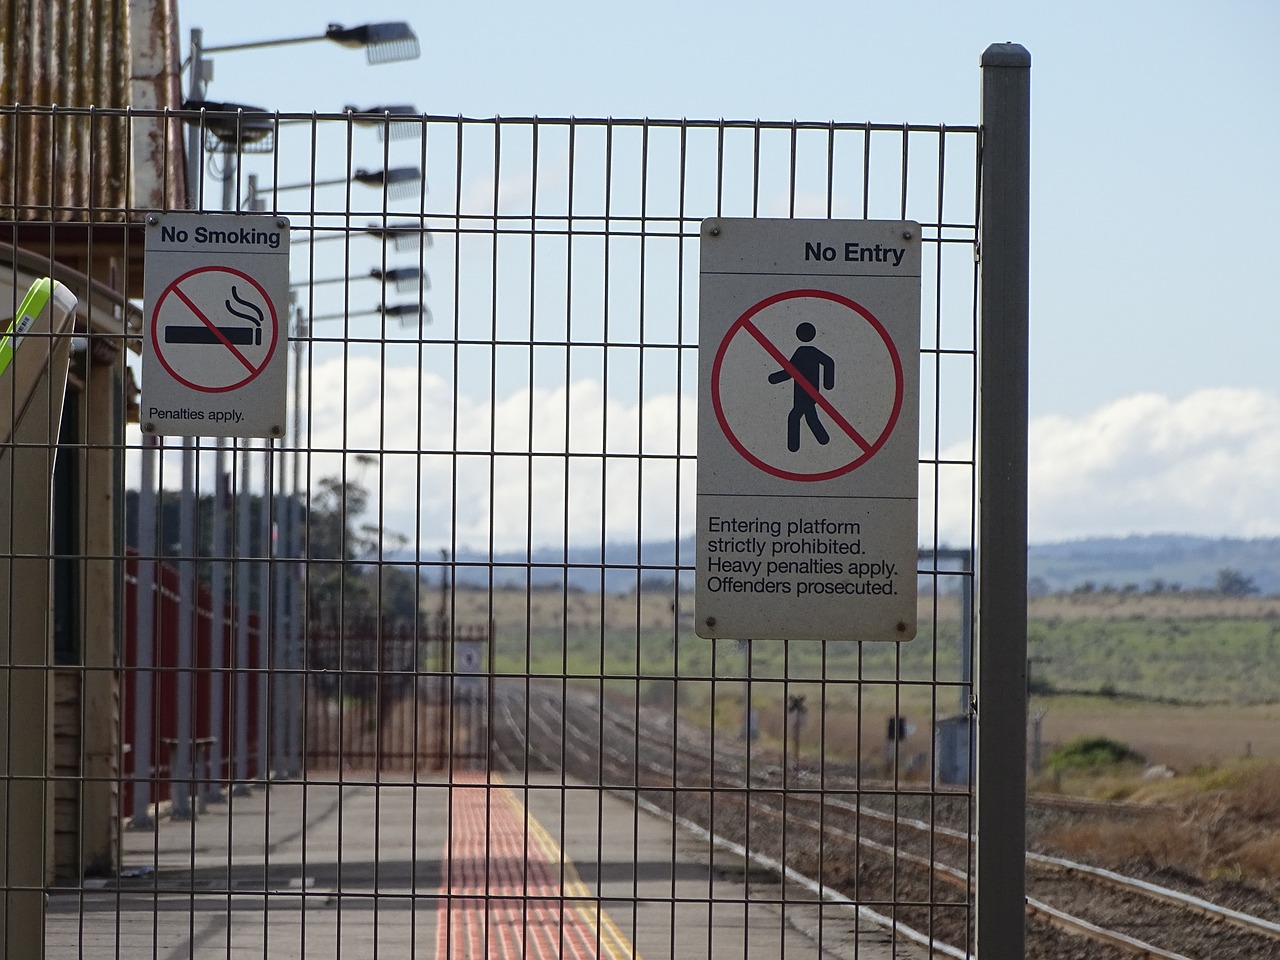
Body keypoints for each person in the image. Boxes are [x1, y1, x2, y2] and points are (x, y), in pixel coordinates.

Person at [767, 322, 834, 452]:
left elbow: (788, 372)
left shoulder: (802, 352)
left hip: (804, 393)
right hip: (808, 393)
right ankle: (822, 439)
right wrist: (828, 384)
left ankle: (796, 446)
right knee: (808, 417)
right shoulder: (809, 352)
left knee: (796, 416)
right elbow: (829, 363)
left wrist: (774, 378)